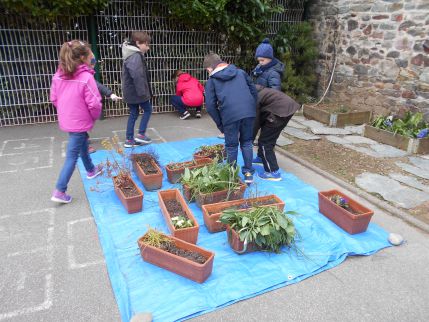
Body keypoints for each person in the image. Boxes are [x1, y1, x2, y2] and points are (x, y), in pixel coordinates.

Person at [50, 40, 103, 203]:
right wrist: (93, 117)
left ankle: (91, 169)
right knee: (72, 155)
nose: (92, 58)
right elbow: (94, 103)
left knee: (82, 143)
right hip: (79, 121)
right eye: (89, 55)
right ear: (82, 57)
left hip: (69, 120)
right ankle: (60, 190)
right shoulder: (86, 77)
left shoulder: (58, 75)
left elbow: (54, 98)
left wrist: (66, 112)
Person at [203, 53, 257, 184]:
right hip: (249, 113)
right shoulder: (241, 73)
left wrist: (220, 124)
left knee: (232, 146)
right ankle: (248, 173)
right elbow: (254, 91)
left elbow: (210, 106)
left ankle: (231, 177)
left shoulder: (212, 81)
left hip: (230, 115)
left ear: (209, 69)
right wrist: (250, 108)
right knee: (247, 142)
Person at [252, 85, 301, 181]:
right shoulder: (258, 90)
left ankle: (273, 172)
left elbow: (255, 121)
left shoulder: (255, 98)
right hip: (285, 108)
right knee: (268, 136)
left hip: (280, 112)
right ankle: (261, 157)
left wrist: (249, 140)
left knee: (265, 142)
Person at [122, 31, 153, 148]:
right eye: (146, 44)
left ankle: (129, 139)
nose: (148, 48)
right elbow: (137, 75)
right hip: (137, 92)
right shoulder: (135, 56)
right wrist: (143, 93)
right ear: (138, 43)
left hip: (131, 91)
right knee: (148, 109)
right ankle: (141, 134)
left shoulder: (131, 54)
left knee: (134, 113)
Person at [87, 57, 122, 154]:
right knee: (79, 125)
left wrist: (110, 94)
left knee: (84, 124)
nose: (93, 67)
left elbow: (97, 85)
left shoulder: (86, 74)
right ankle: (84, 145)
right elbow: (96, 85)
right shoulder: (81, 75)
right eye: (92, 64)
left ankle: (83, 139)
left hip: (82, 104)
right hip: (76, 106)